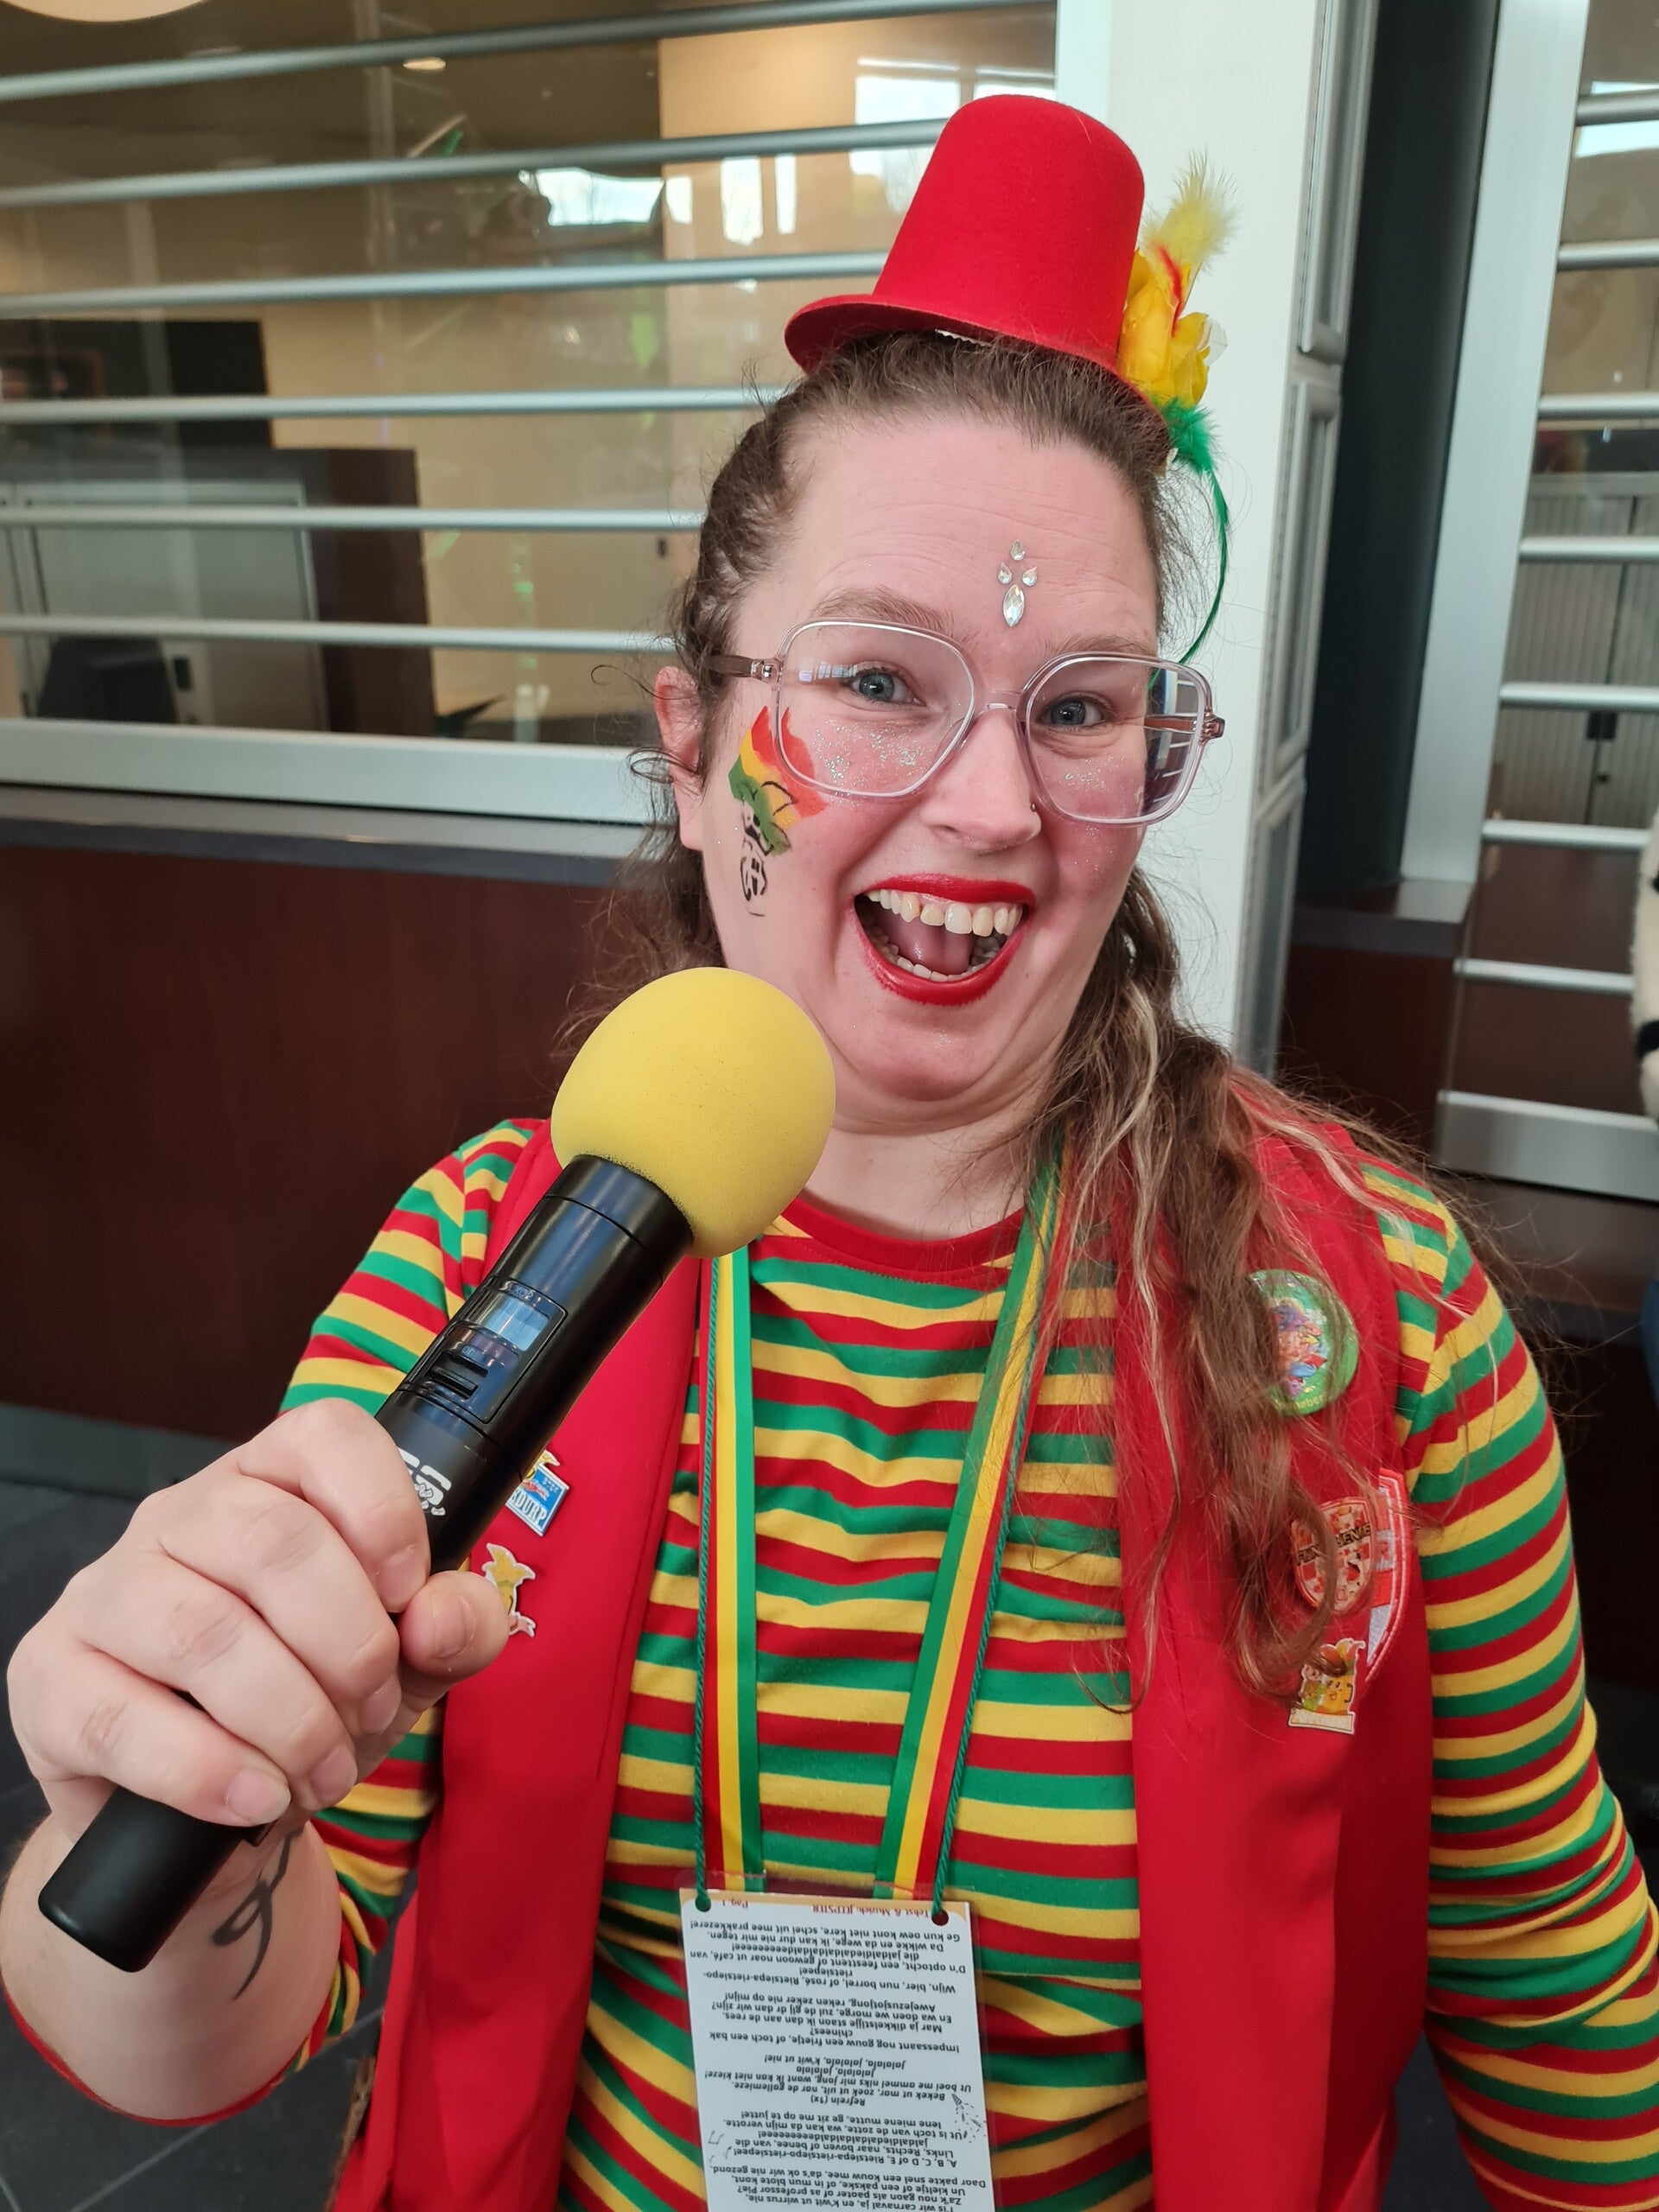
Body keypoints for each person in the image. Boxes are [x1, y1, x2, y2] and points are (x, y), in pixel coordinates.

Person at [3, 97, 1657, 2212]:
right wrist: (170, 1798)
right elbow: (224, 2012)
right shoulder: (487, 1265)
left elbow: (1549, 1970)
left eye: (1080, 706)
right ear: (692, 744)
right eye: (880, 677)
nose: (992, 806)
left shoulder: (1378, 1318)